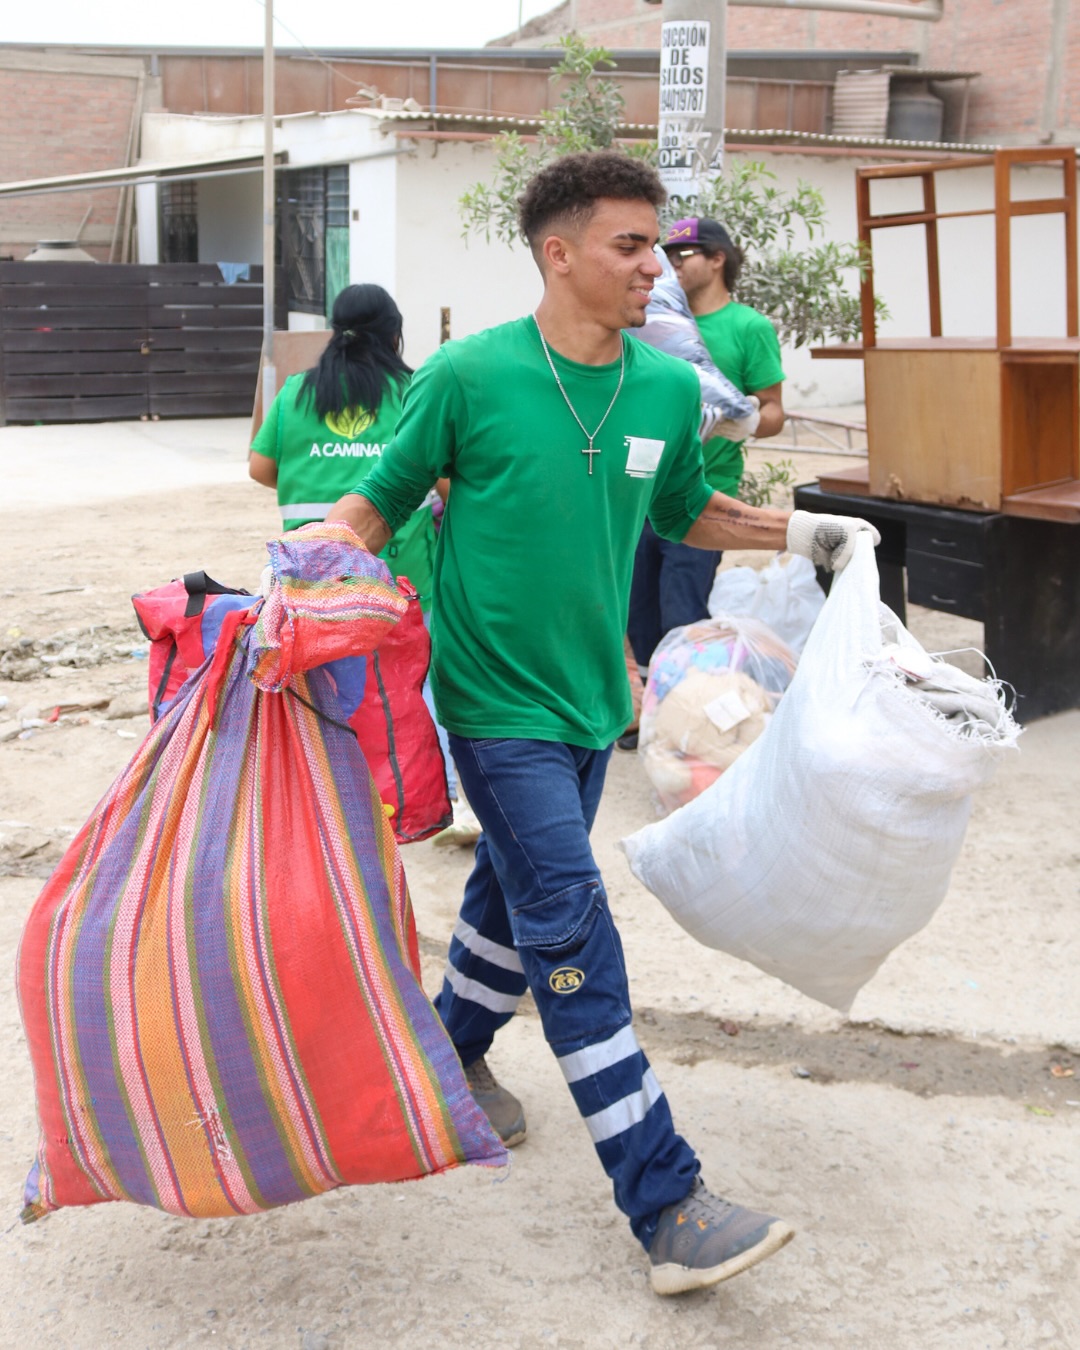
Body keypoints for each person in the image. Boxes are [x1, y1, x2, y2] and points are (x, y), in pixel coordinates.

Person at [326, 150, 878, 1296]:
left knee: (512, 893)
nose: (654, 268)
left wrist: (800, 532)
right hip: (494, 705)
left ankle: (446, 1060)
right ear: (559, 253)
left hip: (594, 701)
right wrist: (294, 585)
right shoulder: (469, 376)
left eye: (657, 247)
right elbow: (374, 505)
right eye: (629, 247)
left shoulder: (667, 388)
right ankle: (666, 1203)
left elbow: (684, 507)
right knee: (572, 925)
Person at [248, 283, 478, 841]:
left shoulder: (298, 392)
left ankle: (323, 801)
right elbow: (448, 483)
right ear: (394, 334)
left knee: (321, 683)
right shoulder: (413, 392)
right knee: (417, 680)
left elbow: (260, 467)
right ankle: (441, 797)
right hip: (401, 571)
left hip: (312, 573)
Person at [623, 217, 787, 744]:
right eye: (667, 254)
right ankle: (654, 712)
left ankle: (687, 720)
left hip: (704, 494)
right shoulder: (647, 317)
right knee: (637, 609)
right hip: (639, 491)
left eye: (684, 254)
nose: (670, 264)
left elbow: (775, 411)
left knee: (683, 610)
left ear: (717, 259)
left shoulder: (747, 328)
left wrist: (740, 419)